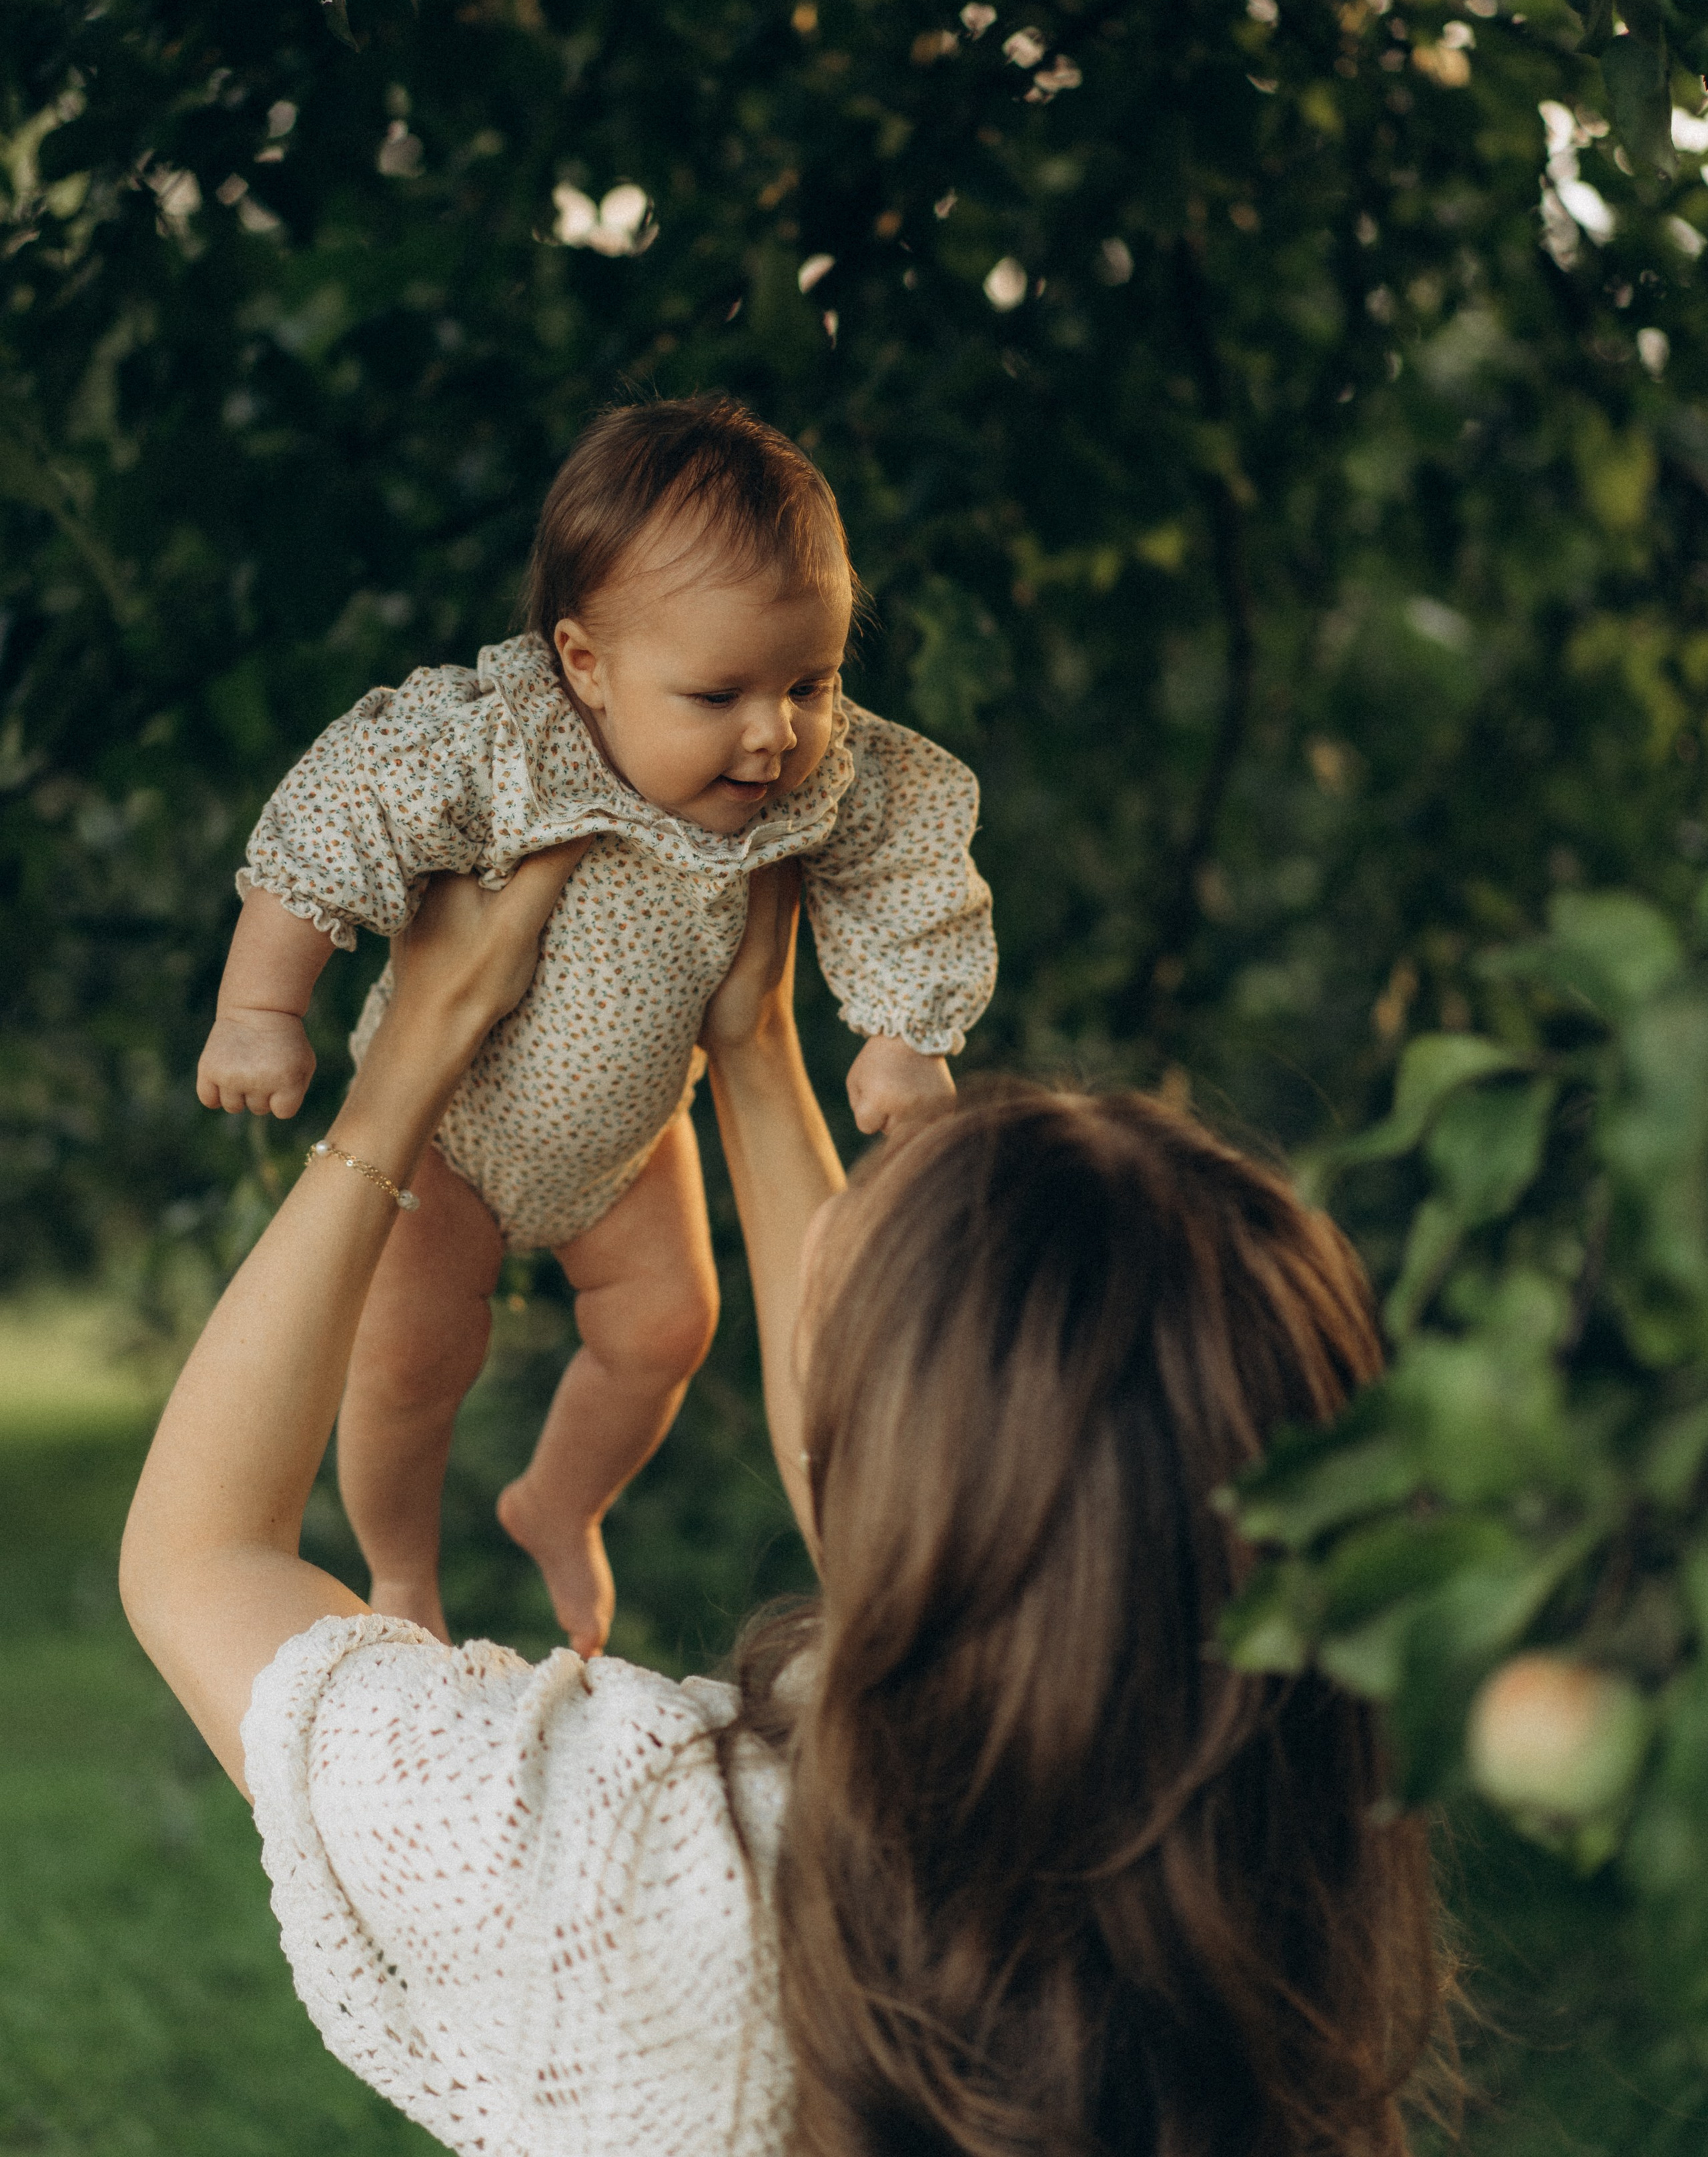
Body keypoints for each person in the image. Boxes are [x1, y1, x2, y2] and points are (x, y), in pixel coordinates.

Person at [123, 853, 1451, 2157]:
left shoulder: (650, 1862)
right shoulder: (1274, 1881)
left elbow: (201, 1559)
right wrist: (753, 1048)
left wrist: (407, 1067)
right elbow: (904, 1492)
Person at [193, 394, 996, 1655]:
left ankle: (561, 1503)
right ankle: (401, 1574)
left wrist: (906, 1032)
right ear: (585, 665)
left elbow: (907, 858)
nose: (775, 732)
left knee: (670, 1327)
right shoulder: (504, 744)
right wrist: (259, 1008)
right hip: (449, 1134)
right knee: (409, 1363)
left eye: (813, 682)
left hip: (633, 1136)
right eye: (718, 693)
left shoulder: (820, 772)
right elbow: (341, 814)